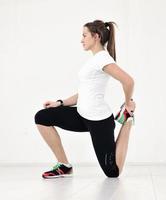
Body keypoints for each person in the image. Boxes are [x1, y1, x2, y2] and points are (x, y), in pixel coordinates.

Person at [34, 20, 136, 179]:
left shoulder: (103, 59)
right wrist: (60, 103)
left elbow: (128, 81)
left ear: (96, 36)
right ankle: (64, 165)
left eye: (84, 35)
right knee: (42, 117)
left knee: (112, 172)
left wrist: (128, 104)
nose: (81, 39)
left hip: (99, 120)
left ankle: (127, 121)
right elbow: (83, 93)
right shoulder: (94, 60)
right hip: (82, 115)